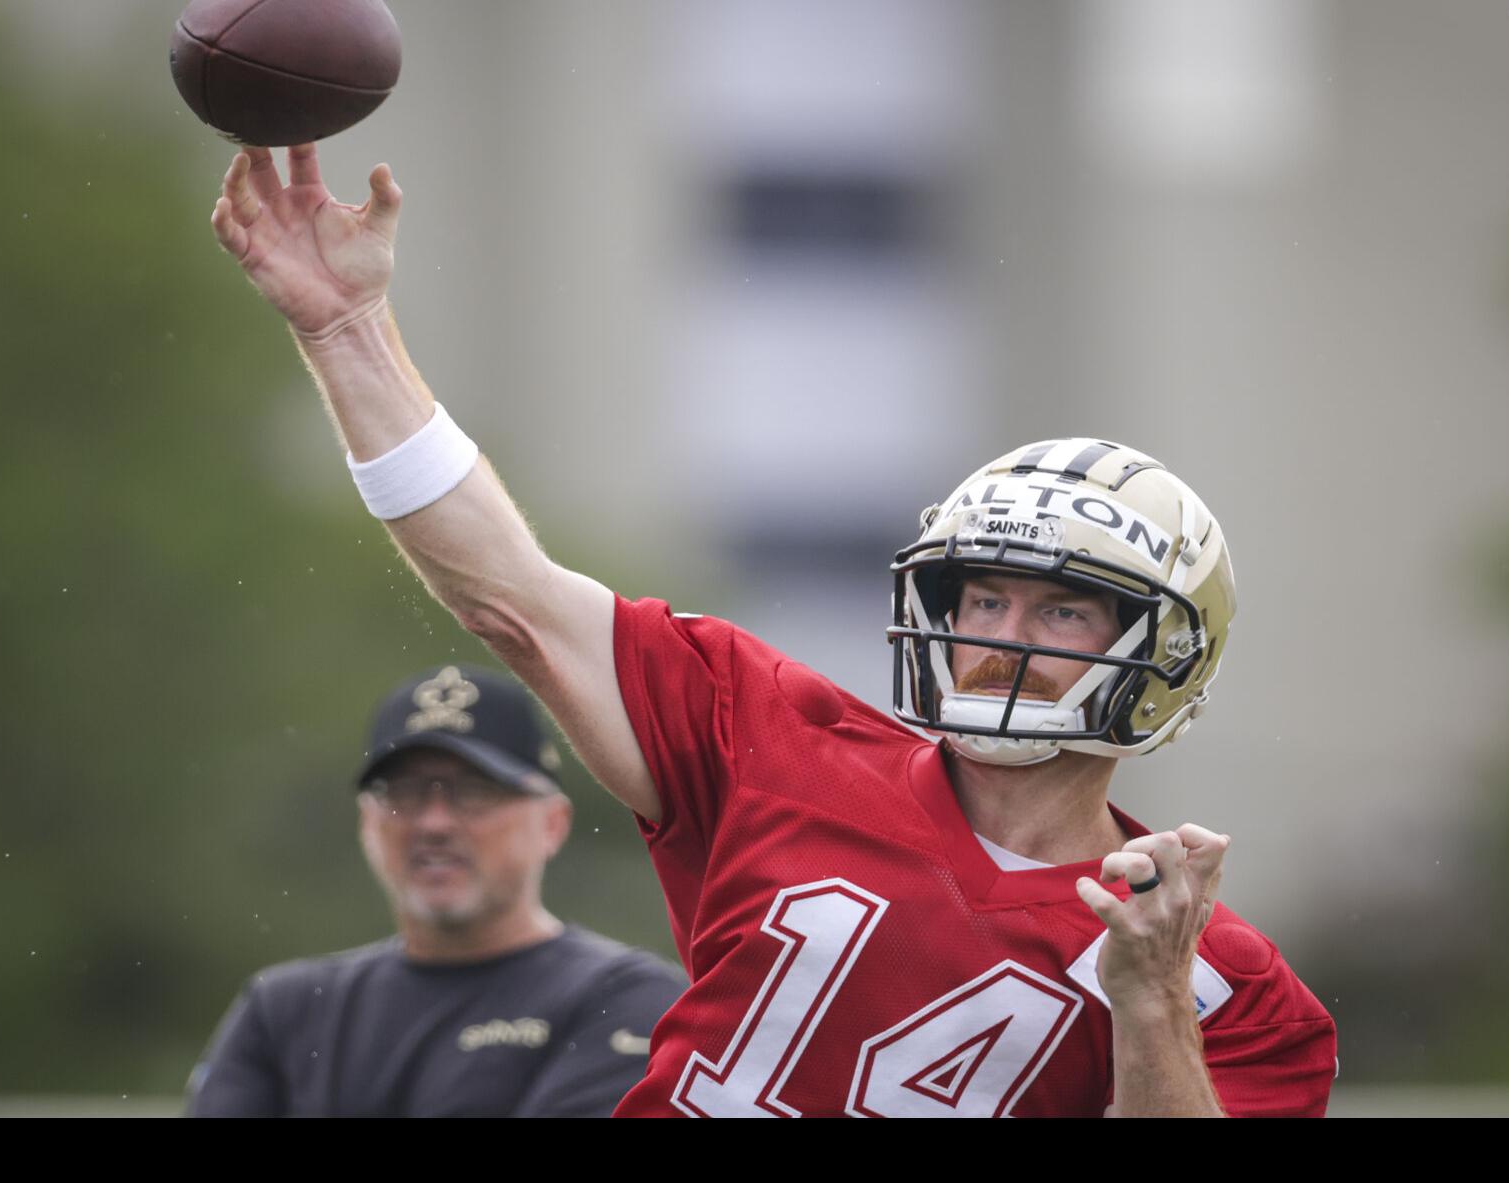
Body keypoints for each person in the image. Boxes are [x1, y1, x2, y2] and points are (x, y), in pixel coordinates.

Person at [207, 143, 1336, 1117]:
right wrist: (349, 328)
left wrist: (1146, 1001)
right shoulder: (773, 735)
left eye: (1062, 609)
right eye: (981, 598)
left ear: (1161, 656)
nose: (1002, 635)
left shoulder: (1222, 985)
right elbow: (510, 593)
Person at [186, 664, 687, 1118]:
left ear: (552, 824)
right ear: (366, 822)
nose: (434, 823)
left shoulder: (631, 1002)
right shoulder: (285, 1010)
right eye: (403, 793)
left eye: (475, 790)